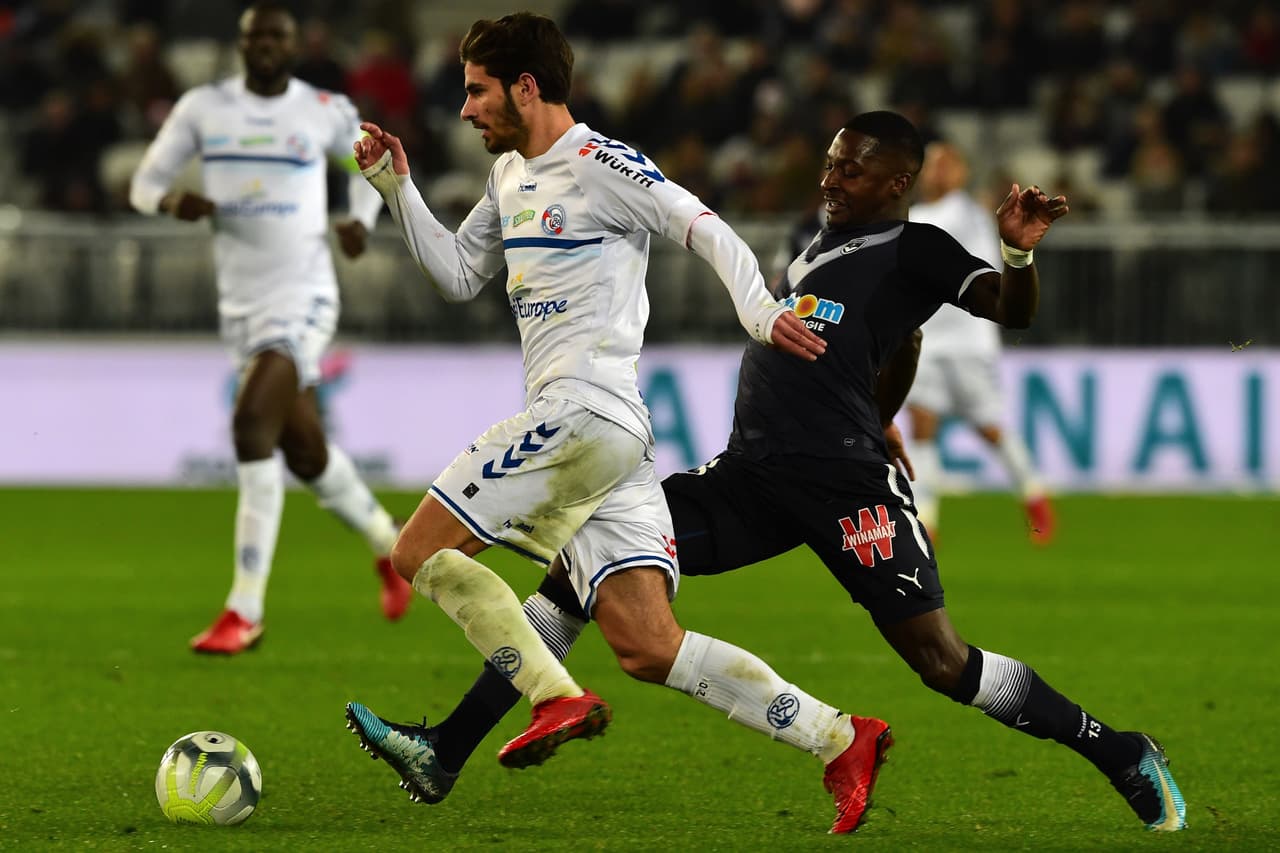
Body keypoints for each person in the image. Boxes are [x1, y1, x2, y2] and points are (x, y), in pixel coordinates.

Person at [361, 111, 1187, 835]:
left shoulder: (921, 249)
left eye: (852, 167)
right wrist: (884, 408)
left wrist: (1015, 251)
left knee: (941, 662)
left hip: (847, 489)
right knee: (587, 566)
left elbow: (1009, 308)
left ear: (897, 181)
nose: (832, 176)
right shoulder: (819, 242)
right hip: (750, 477)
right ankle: (447, 749)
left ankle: (1118, 750)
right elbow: (900, 346)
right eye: (830, 161)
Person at [341, 13, 904, 835]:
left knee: (416, 551)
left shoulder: (602, 163)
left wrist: (759, 311)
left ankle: (556, 697)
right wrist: (397, 186)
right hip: (614, 439)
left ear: (525, 86)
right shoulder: (508, 174)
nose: (464, 110)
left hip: (579, 411)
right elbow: (460, 275)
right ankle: (838, 736)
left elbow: (701, 224)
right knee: (647, 642)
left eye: (476, 90)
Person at [128, 2, 411, 654]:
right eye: (255, 36)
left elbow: (372, 170)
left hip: (305, 296)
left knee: (251, 422)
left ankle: (244, 609)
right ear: (242, 43)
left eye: (276, 37)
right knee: (304, 450)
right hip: (241, 307)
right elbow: (144, 183)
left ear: (291, 46)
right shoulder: (204, 109)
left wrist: (361, 223)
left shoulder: (323, 109)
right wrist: (175, 200)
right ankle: (388, 543)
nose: (265, 46)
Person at [906, 140, 1055, 544]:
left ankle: (1034, 494)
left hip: (970, 342)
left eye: (946, 163)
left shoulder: (969, 212)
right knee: (921, 427)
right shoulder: (914, 216)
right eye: (932, 164)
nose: (937, 171)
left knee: (990, 428)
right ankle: (926, 519)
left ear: (961, 173)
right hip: (927, 340)